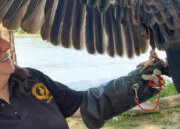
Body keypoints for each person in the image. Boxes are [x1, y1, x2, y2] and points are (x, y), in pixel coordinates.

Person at [0, 31, 170, 129]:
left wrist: (138, 82)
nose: (6, 45)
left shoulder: (30, 79)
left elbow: (86, 103)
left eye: (1, 36)